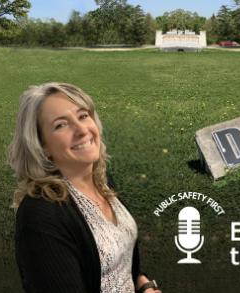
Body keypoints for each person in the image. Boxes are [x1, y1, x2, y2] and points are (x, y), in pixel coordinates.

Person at [9, 82, 161, 293]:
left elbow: (122, 259)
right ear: (42, 146)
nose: (82, 130)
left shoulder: (101, 180)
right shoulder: (40, 216)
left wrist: (143, 284)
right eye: (61, 125)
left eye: (83, 116)